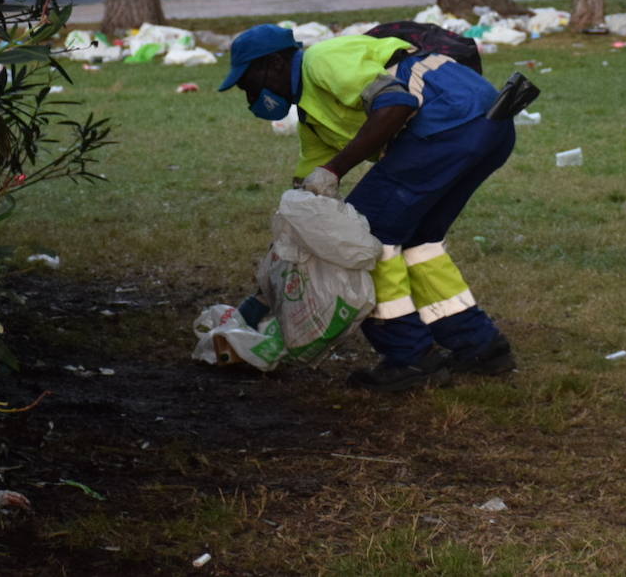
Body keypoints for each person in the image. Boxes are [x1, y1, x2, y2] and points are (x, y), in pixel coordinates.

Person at [219, 24, 516, 392]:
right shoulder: (313, 118)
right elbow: (303, 204)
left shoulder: (320, 62)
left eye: (248, 83)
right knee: (419, 243)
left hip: (447, 123)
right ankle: (481, 347)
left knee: (362, 240)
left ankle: (410, 359)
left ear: (274, 63)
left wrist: (334, 169)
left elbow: (395, 104)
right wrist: (270, 281)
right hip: (485, 123)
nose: (249, 96)